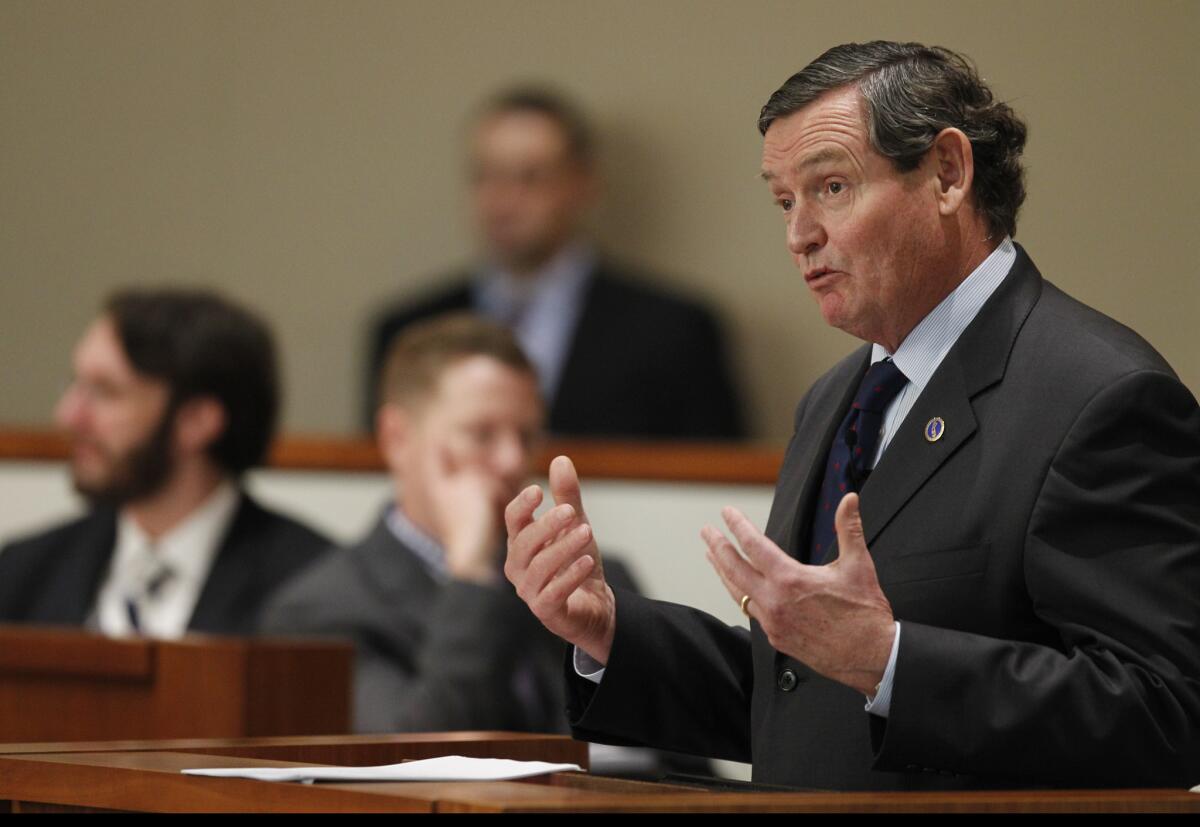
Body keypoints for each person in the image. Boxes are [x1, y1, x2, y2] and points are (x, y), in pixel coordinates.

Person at [504, 41, 1200, 790]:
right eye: (783, 200)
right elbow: (801, 696)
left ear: (947, 173)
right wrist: (609, 630)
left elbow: (1170, 713)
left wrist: (889, 659)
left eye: (830, 186)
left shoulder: (1101, 395)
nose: (798, 234)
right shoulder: (834, 397)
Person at [367, 87, 744, 440]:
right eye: (487, 176)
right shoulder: (406, 330)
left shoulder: (674, 332)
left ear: (583, 184)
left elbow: (715, 483)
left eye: (529, 178)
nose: (503, 201)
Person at [263, 314, 567, 733]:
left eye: (528, 436)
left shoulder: (580, 576)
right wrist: (472, 573)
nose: (514, 461)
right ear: (396, 438)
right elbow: (414, 754)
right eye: (482, 434)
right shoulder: (320, 612)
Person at [0, 289, 331, 637]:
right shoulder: (25, 570)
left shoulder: (312, 583)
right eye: (75, 385)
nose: (68, 416)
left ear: (197, 420)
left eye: (105, 391)